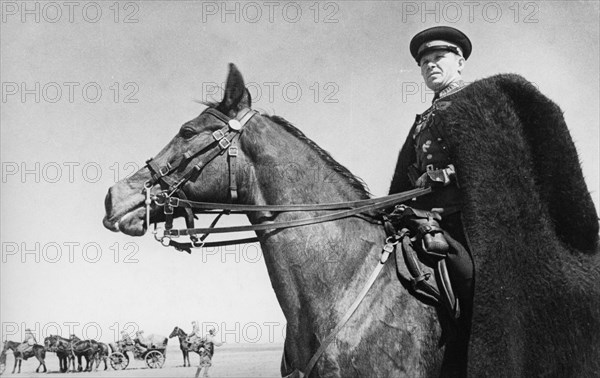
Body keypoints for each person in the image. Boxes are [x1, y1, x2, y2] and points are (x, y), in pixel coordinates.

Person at [389, 26, 475, 375]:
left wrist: (441, 176)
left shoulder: (473, 102)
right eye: (424, 62)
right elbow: (404, 174)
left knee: (475, 284)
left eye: (438, 58)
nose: (429, 66)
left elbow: (485, 158)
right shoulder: (423, 119)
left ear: (460, 62)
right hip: (429, 216)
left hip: (467, 218)